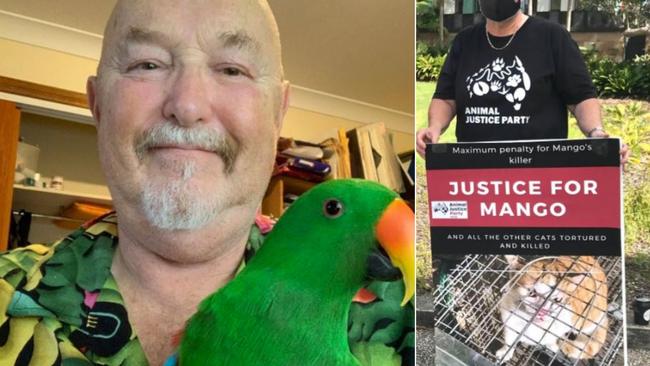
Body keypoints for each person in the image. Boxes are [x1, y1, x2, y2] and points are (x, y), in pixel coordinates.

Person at [0, 1, 413, 365]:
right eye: (147, 64)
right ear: (97, 104)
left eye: (233, 69)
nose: (188, 105)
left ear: (277, 114)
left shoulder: (426, 322)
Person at [416, 0, 630, 163]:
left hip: (539, 171)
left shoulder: (553, 37)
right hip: (477, 169)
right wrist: (434, 128)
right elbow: (446, 97)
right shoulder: (465, 41)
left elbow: (580, 97)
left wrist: (596, 133)